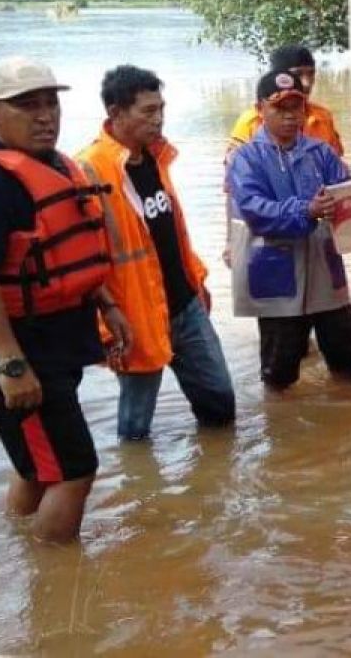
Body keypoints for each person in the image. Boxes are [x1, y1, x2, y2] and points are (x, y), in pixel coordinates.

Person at [0, 56, 131, 542]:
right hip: (21, 355)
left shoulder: (56, 166)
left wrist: (107, 304)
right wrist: (12, 365)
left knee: (36, 465)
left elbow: (63, 249)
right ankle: (56, 587)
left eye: (51, 103)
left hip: (55, 343)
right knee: (76, 470)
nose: (46, 115)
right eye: (27, 105)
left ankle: (16, 550)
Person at [78, 65, 236, 440]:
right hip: (134, 315)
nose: (159, 118)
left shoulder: (156, 156)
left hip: (183, 302)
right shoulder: (89, 168)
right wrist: (107, 319)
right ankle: (140, 491)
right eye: (148, 111)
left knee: (220, 403)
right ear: (115, 113)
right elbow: (86, 259)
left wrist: (197, 281)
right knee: (135, 426)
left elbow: (171, 231)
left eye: (161, 108)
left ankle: (213, 479)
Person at [228, 69, 351, 389]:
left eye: (296, 108)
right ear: (260, 109)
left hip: (325, 272)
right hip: (277, 277)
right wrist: (307, 209)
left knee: (346, 366)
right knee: (278, 376)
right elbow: (255, 212)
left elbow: (349, 198)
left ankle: (347, 423)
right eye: (280, 108)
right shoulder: (245, 158)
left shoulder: (322, 152)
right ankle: (281, 430)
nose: (290, 117)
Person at [227, 44, 344, 157]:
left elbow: (338, 164)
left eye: (311, 73)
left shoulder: (323, 117)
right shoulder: (251, 122)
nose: (307, 83)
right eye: (298, 74)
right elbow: (234, 171)